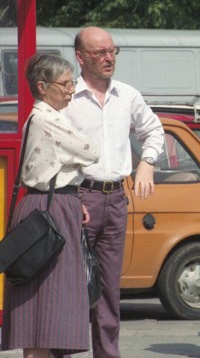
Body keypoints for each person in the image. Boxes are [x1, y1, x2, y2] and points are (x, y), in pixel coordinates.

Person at [64, 26, 165, 358]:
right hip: (77, 198)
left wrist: (146, 163)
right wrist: (70, 193)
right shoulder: (67, 98)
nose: (109, 58)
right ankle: (57, 351)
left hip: (115, 199)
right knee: (70, 286)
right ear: (80, 58)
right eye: (100, 53)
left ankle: (108, 354)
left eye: (112, 51)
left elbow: (154, 131)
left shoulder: (127, 95)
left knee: (108, 289)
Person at [2, 53, 100, 357]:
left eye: (72, 83)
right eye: (66, 84)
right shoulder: (47, 119)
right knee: (43, 306)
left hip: (53, 204)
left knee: (45, 306)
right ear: (43, 86)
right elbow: (91, 150)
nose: (71, 89)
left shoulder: (47, 117)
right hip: (50, 211)